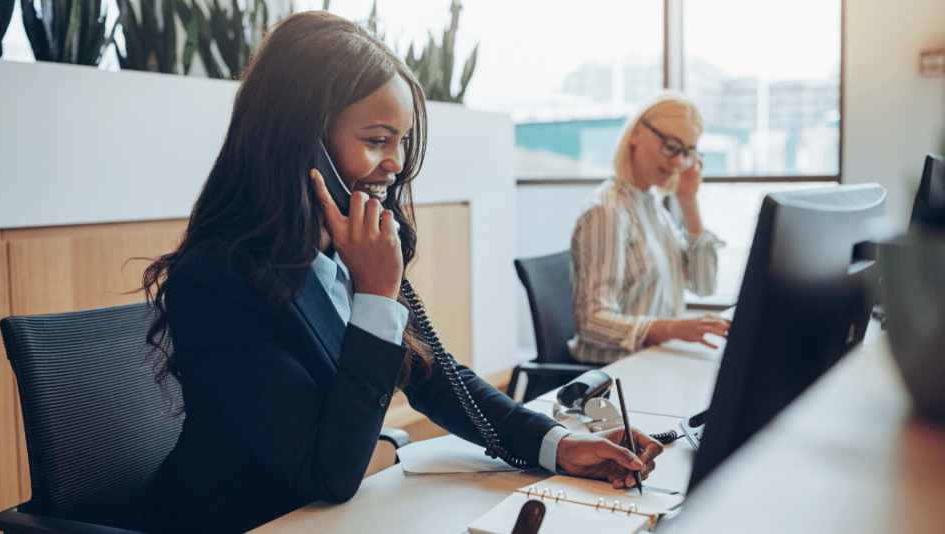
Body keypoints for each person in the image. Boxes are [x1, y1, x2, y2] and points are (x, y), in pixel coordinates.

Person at [140, 12, 664, 534]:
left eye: (403, 140)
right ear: (302, 142)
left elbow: (437, 378)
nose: (396, 163)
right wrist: (376, 294)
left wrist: (559, 445)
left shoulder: (338, 251)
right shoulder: (218, 280)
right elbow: (329, 473)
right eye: (376, 139)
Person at [568, 91, 732, 365]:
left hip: (654, 360)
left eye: (687, 152)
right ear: (636, 133)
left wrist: (689, 203)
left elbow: (704, 285)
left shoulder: (651, 205)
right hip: (615, 373)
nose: (679, 162)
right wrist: (671, 329)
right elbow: (592, 321)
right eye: (671, 146)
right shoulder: (608, 211)